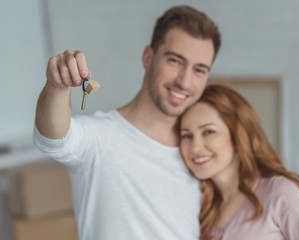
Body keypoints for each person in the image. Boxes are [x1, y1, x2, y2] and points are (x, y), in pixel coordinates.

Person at [33, 5, 221, 240]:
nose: (185, 81)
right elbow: (53, 140)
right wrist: (57, 86)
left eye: (199, 70)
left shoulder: (199, 153)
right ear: (148, 57)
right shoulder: (101, 138)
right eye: (175, 61)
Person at [179, 84, 299, 240]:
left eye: (209, 132)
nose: (195, 147)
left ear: (237, 135)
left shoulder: (280, 192)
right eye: (187, 136)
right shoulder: (202, 210)